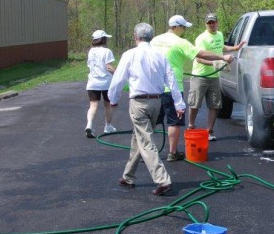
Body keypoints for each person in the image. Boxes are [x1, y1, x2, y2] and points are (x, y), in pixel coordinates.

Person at [108, 23, 185, 196]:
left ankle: (162, 180)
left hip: (139, 103)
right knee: (139, 137)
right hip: (157, 102)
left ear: (136, 36)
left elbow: (118, 79)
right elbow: (172, 81)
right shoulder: (160, 55)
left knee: (146, 141)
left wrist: (113, 99)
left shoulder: (129, 55)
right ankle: (128, 176)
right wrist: (179, 104)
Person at [150, 15, 235, 161]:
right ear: (177, 27)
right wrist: (222, 58)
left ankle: (145, 152)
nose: (184, 30)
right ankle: (172, 152)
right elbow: (200, 54)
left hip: (152, 88)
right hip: (172, 88)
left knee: (150, 122)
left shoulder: (154, 40)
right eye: (183, 27)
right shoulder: (180, 42)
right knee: (173, 122)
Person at [188, 13, 246, 141]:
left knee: (214, 104)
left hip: (214, 77)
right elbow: (199, 59)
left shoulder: (219, 35)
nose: (212, 25)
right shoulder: (201, 38)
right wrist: (216, 63)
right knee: (195, 104)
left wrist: (235, 48)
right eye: (209, 23)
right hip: (200, 76)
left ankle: (210, 131)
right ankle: (191, 127)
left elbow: (221, 47)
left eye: (213, 22)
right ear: (206, 24)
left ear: (217, 23)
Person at [85, 30, 117, 138]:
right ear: (103, 39)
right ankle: (108, 126)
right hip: (106, 83)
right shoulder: (106, 51)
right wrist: (118, 74)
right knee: (107, 105)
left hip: (92, 82)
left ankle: (89, 125)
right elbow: (108, 67)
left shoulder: (90, 51)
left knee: (93, 105)